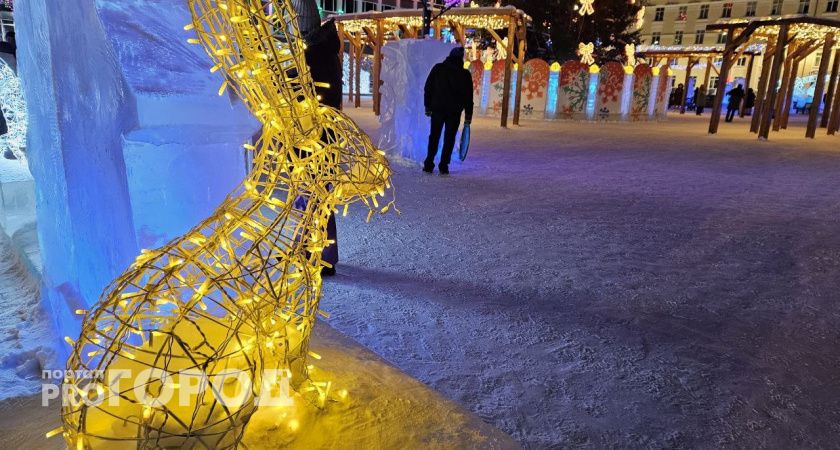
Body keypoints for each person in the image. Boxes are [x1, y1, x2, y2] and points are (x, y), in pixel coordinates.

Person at [302, 15, 342, 276]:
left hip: (312, 134)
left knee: (310, 196)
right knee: (319, 196)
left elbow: (301, 90)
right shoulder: (327, 52)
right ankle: (323, 253)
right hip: (325, 134)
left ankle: (316, 254)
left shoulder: (313, 55)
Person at [424, 47, 474, 175]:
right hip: (454, 112)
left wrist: (428, 106)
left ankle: (429, 163)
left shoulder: (438, 69)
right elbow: (469, 97)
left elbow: (428, 87)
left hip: (437, 109)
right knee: (449, 138)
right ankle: (444, 165)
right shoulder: (465, 74)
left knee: (434, 136)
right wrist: (468, 115)